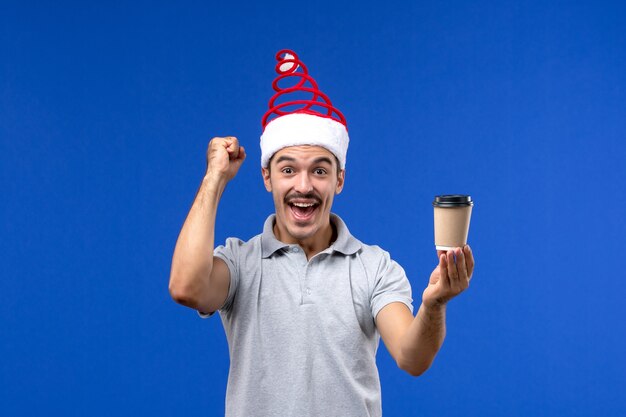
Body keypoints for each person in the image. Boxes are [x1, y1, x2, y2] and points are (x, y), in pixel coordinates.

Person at [169, 50, 475, 417]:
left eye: (319, 170)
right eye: (287, 170)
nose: (303, 186)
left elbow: (413, 358)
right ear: (267, 178)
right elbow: (186, 288)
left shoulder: (375, 267)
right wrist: (214, 178)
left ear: (339, 179)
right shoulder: (239, 262)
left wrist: (435, 303)